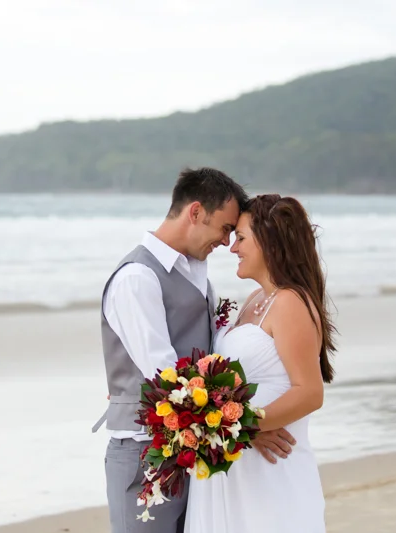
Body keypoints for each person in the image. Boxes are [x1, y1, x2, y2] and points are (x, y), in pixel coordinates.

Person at [92, 168, 292, 533]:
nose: (227, 241)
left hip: (193, 451)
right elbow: (167, 378)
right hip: (144, 455)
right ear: (196, 212)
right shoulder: (137, 278)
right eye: (225, 228)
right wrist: (247, 427)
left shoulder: (197, 275)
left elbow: (208, 362)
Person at [184, 193, 337, 533]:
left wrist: (240, 428)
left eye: (240, 238)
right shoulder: (256, 300)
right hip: (238, 466)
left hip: (269, 471)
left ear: (269, 241)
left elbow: (310, 393)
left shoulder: (289, 303)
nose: (232, 247)